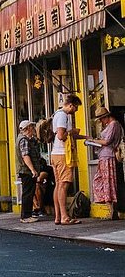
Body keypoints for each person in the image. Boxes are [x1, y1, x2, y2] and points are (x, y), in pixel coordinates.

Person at [50, 92, 82, 226]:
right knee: (63, 185)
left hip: (55, 154)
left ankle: (58, 216)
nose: (75, 111)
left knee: (58, 185)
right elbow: (61, 136)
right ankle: (64, 216)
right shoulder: (63, 116)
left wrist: (84, 137)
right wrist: (72, 132)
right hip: (63, 154)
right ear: (70, 105)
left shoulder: (57, 114)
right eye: (75, 108)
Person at [88, 105, 124, 219]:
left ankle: (112, 210)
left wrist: (93, 140)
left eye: (101, 119)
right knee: (102, 181)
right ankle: (112, 209)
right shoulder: (112, 125)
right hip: (104, 155)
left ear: (106, 117)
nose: (101, 122)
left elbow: (107, 141)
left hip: (108, 156)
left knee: (108, 183)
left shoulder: (113, 125)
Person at [16, 119, 43, 223]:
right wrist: (32, 169)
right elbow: (25, 156)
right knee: (28, 193)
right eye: (31, 127)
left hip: (25, 170)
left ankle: (26, 214)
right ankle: (26, 216)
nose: (33, 129)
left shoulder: (24, 139)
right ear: (27, 129)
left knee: (28, 192)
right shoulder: (24, 140)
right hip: (26, 171)